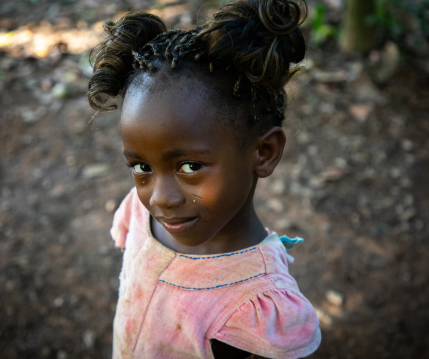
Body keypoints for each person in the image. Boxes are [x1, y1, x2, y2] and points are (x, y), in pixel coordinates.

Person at [87, 0, 321, 357]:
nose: (160, 199)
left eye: (189, 167)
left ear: (264, 153)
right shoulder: (139, 211)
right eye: (142, 167)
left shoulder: (254, 311)